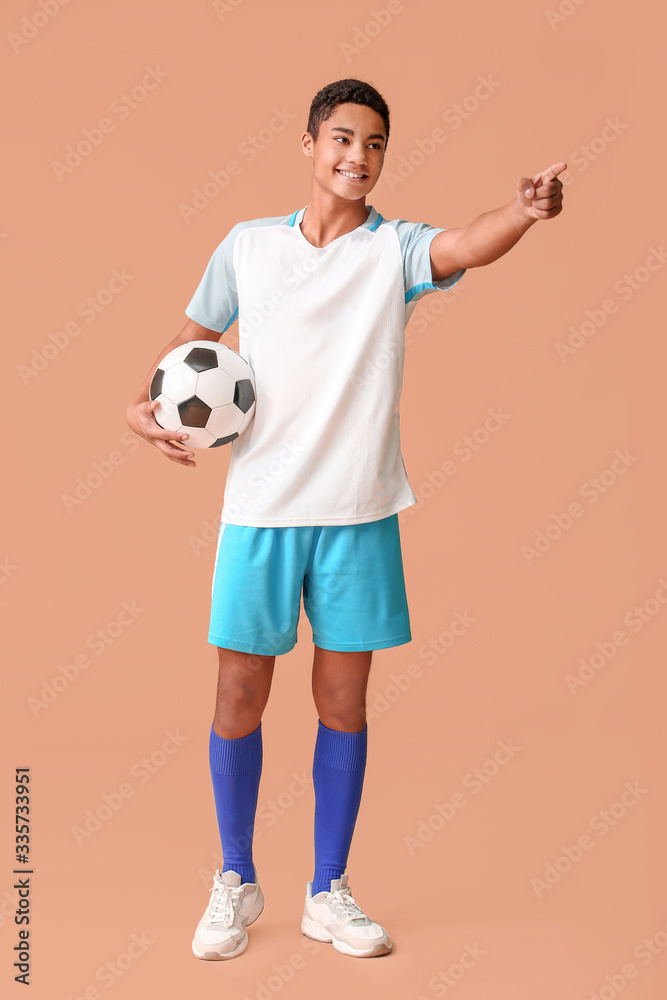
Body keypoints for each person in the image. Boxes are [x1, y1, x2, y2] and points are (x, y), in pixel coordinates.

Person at [125, 77, 565, 961]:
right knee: (238, 697)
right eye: (341, 139)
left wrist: (520, 213)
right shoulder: (247, 247)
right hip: (259, 512)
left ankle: (328, 890)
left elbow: (467, 245)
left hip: (359, 511)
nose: (356, 158)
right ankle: (235, 881)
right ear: (307, 143)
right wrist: (140, 407)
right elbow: (187, 347)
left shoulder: (392, 252)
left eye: (372, 145)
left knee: (342, 701)